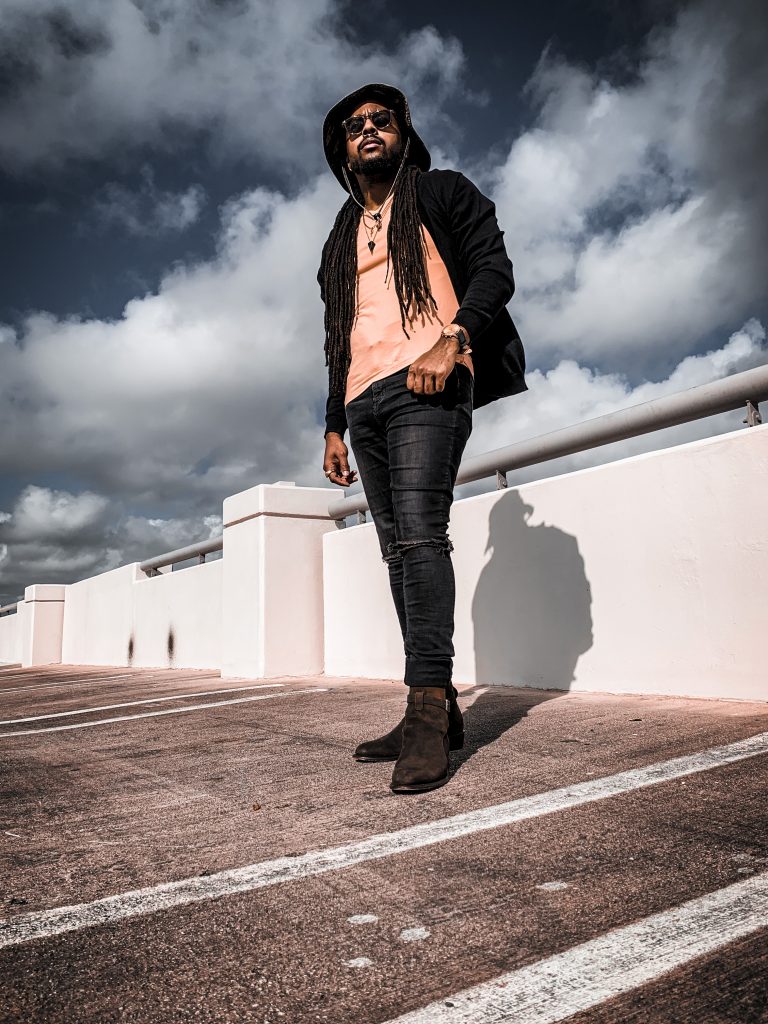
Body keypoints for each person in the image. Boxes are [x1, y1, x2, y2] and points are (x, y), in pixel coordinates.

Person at [318, 83, 526, 794]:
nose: (369, 129)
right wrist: (333, 422)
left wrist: (454, 337)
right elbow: (335, 337)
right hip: (362, 397)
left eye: (382, 120)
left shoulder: (441, 191)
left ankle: (427, 712)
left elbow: (495, 270)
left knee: (420, 537)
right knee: (396, 554)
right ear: (341, 148)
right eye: (355, 126)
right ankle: (431, 707)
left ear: (404, 133)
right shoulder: (338, 238)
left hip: (427, 380)